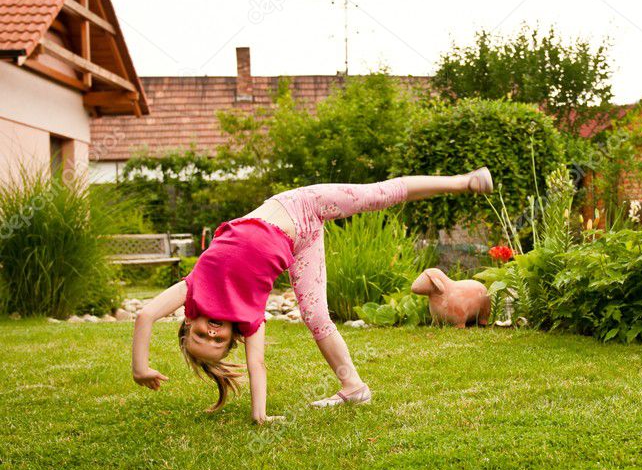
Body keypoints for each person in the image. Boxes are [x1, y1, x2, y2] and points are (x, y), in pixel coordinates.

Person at [129, 169, 493, 423]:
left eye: (199, 336)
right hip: (298, 243)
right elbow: (257, 366)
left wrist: (141, 368)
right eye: (216, 341)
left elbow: (145, 316)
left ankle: (465, 182)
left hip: (297, 207)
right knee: (315, 317)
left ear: (189, 322)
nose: (211, 333)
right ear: (230, 339)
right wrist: (259, 415)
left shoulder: (194, 287)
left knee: (378, 194)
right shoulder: (249, 319)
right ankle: (353, 386)